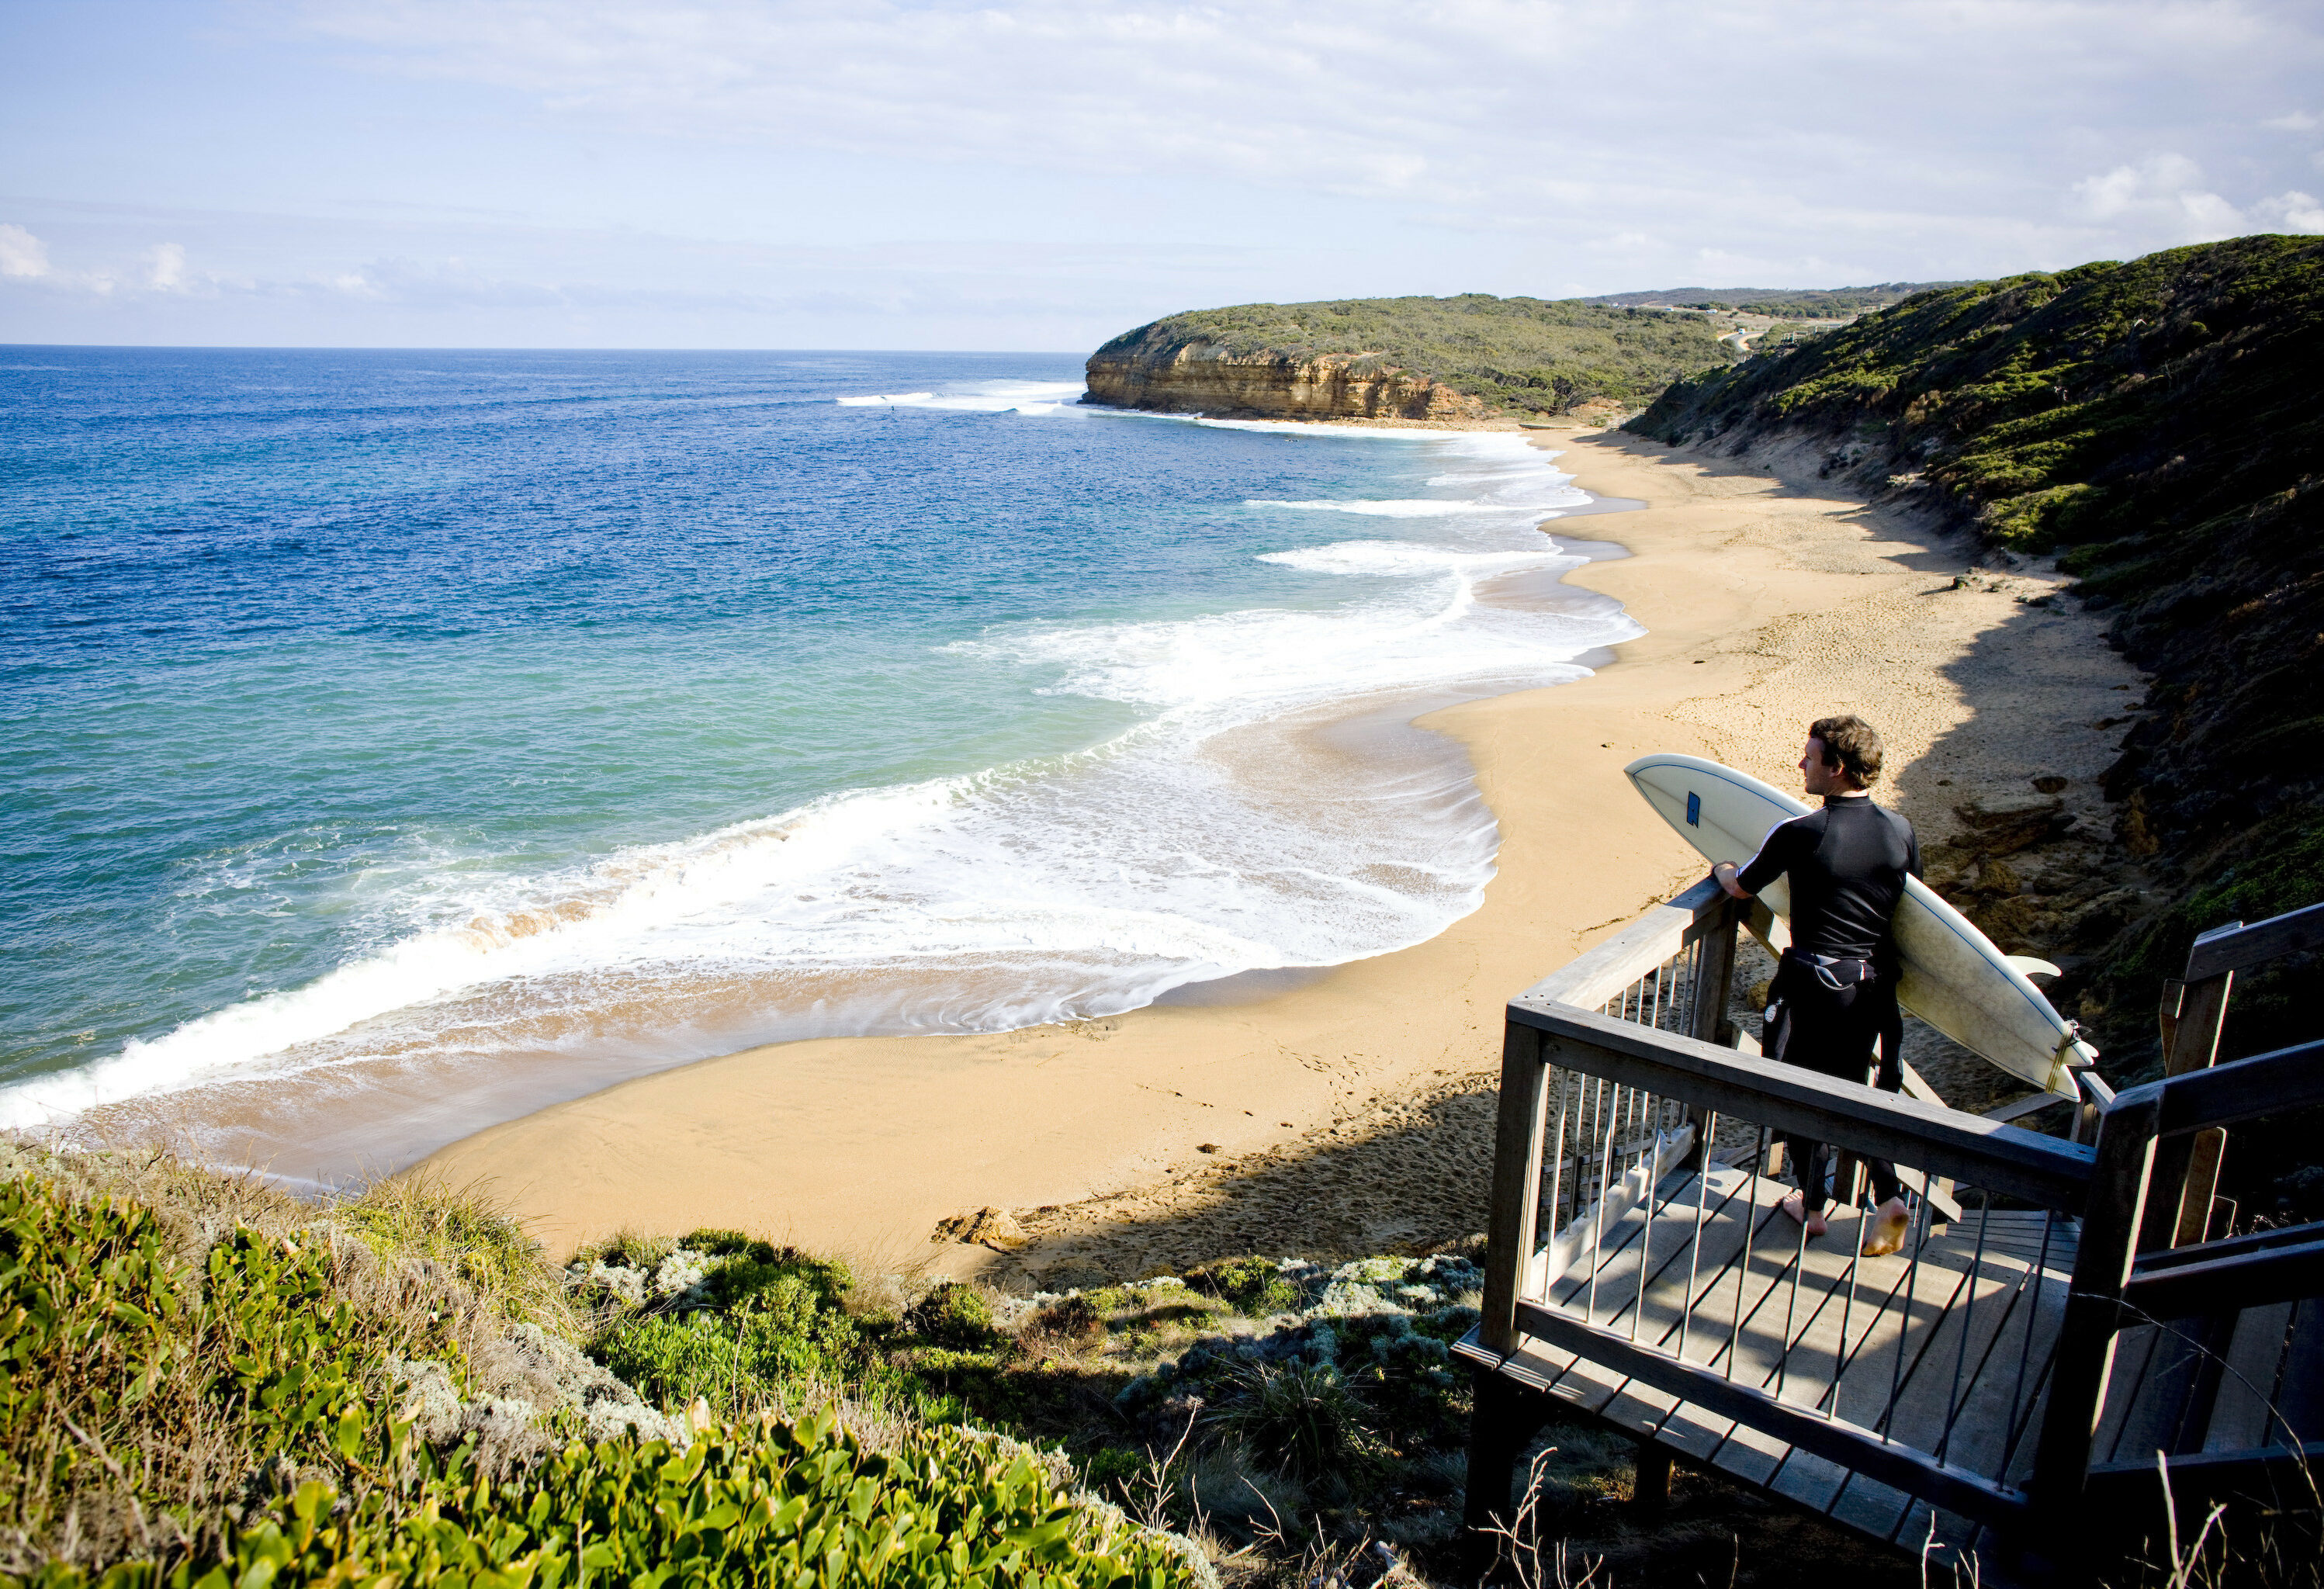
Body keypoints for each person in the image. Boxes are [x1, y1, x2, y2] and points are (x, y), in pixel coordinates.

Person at [1713, 715, 1919, 1258]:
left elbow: (1741, 887)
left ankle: (1811, 1205)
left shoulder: (1801, 833)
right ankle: (1888, 1196)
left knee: (1798, 1090)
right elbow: (1915, 910)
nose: (1800, 764)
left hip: (1811, 985)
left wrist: (1721, 866)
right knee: (1853, 1088)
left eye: (1810, 757)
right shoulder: (1900, 831)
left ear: (1838, 768)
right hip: (1868, 988)